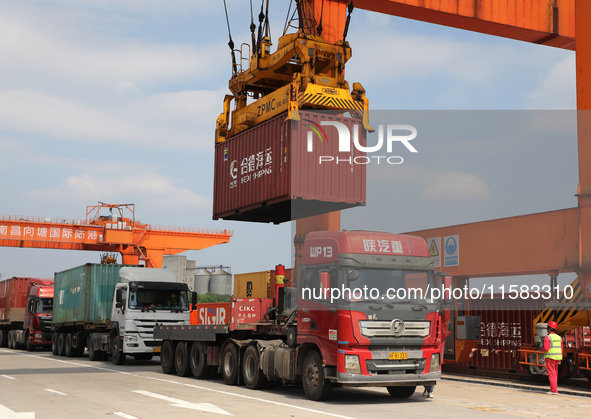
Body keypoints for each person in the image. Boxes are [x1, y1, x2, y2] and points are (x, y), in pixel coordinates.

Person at [542, 320, 563, 395]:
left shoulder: (548, 337)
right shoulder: (559, 337)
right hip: (557, 357)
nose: (547, 329)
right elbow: (561, 348)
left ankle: (554, 390)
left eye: (547, 328)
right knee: (555, 374)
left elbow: (546, 348)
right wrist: (560, 358)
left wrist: (542, 349)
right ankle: (554, 389)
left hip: (550, 357)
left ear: (550, 328)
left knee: (552, 374)